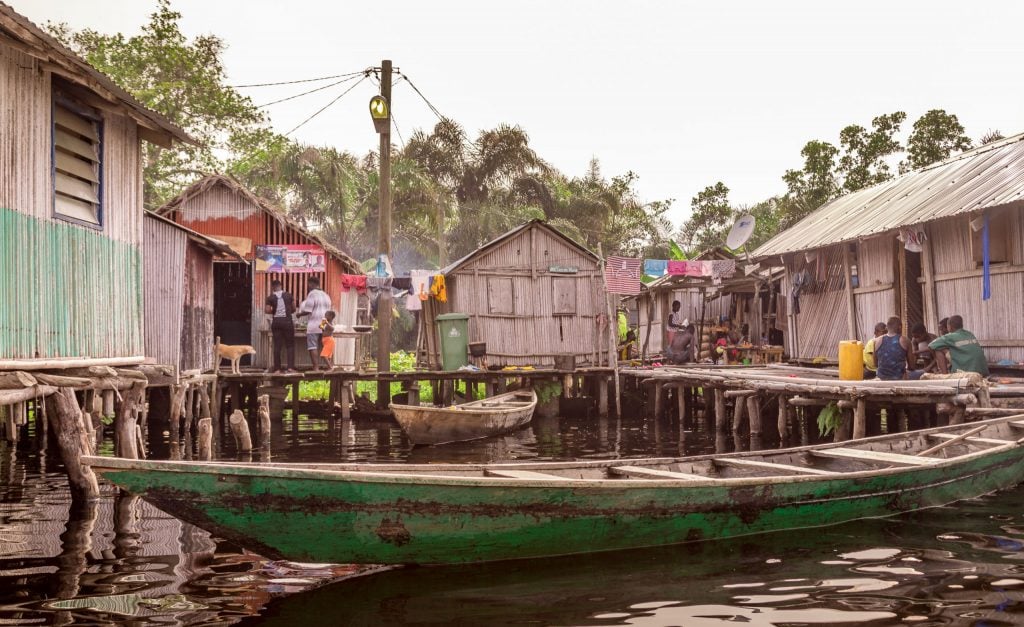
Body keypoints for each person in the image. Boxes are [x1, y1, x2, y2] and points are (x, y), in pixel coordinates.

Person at [296, 276, 332, 371]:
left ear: (311, 284)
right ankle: (329, 366)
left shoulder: (312, 294)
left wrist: (299, 314)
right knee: (325, 345)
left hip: (314, 324)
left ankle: (316, 368)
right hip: (324, 322)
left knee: (313, 345)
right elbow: (329, 312)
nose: (308, 286)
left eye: (308, 284)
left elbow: (308, 310)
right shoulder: (326, 295)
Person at [264, 279, 296, 373]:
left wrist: (275, 311)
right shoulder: (288, 295)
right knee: (290, 345)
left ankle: (277, 369)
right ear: (281, 286)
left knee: (277, 345)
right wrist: (288, 311)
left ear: (273, 287)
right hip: (287, 322)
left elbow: (267, 310)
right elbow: (293, 308)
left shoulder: (270, 298)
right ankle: (290, 367)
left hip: (276, 323)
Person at [875, 316, 911, 380]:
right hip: (899, 378)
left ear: (887, 327)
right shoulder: (905, 340)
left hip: (881, 378)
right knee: (921, 372)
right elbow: (912, 366)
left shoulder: (877, 341)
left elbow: (875, 364)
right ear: (900, 327)